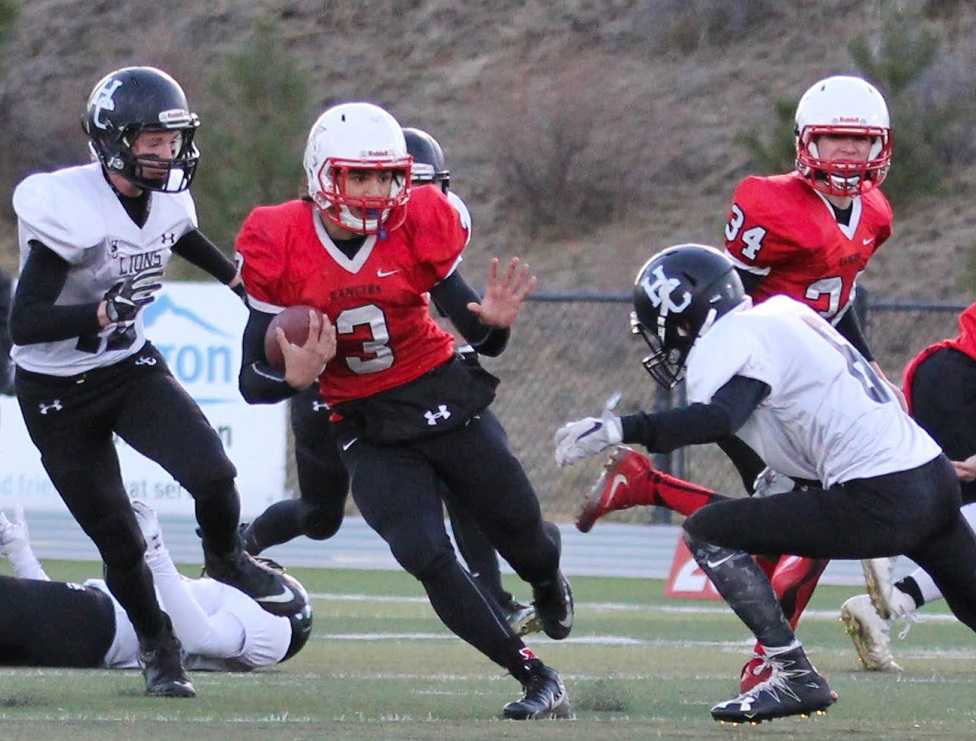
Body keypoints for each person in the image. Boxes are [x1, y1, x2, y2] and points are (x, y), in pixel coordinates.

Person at [235, 102, 573, 720]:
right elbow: (250, 383)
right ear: (320, 176)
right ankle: (534, 677)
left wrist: (494, 328)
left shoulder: (417, 221)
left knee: (522, 536)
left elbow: (478, 332)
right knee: (423, 551)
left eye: (386, 177)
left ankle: (549, 585)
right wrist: (290, 377)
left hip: (442, 395)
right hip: (366, 424)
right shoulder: (277, 236)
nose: (374, 192)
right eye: (357, 177)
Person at [555, 244, 976, 723]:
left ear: (684, 320)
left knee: (708, 531)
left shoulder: (738, 339)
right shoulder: (783, 314)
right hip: (931, 475)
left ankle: (795, 675)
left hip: (880, 495)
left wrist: (618, 429)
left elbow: (719, 417)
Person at [9, 66, 291, 698]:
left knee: (215, 473)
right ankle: (158, 648)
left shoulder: (167, 198)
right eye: (154, 143)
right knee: (120, 538)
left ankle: (224, 556)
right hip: (57, 392)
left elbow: (180, 234)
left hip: (127, 367)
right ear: (113, 140)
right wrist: (100, 311)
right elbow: (25, 324)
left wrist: (238, 281)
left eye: (174, 140)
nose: (169, 154)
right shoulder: (70, 209)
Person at [704, 73, 899, 688]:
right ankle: (770, 651)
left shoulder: (876, 214)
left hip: (818, 378)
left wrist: (866, 365)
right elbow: (725, 296)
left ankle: (769, 648)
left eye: (857, 141)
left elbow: (838, 303)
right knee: (815, 511)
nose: (846, 154)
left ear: (881, 148)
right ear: (805, 144)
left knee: (805, 522)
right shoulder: (767, 202)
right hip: (759, 376)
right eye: (833, 139)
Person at [0, 504, 312, 672]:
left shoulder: (277, 628)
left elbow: (204, 639)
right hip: (96, 625)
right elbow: (46, 616)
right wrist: (19, 550)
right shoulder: (208, 595)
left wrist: (158, 555)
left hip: (103, 626)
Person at [840, 301, 976, 671]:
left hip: (942, 369)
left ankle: (886, 602)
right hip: (962, 375)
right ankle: (891, 545)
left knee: (947, 509)